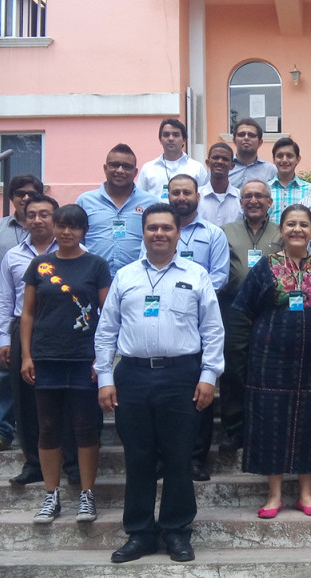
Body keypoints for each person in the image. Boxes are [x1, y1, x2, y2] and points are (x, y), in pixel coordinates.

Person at [95, 204, 224, 564]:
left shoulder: (196, 275)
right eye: (152, 228)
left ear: (177, 233)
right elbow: (106, 331)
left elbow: (213, 330)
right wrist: (105, 376)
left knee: (179, 457)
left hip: (181, 376)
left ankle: (177, 531)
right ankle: (140, 533)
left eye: (166, 228)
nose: (159, 234)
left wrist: (208, 376)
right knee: (138, 458)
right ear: (143, 233)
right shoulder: (125, 276)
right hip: (132, 375)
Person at [234, 204, 311, 518]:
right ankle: (274, 495)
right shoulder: (266, 266)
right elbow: (244, 311)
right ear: (281, 230)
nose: (297, 230)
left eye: (304, 224)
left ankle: (306, 493)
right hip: (270, 359)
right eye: (291, 224)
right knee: (270, 422)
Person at [20, 204, 111, 524]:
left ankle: (87, 495)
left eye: (74, 226)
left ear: (84, 230)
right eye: (61, 225)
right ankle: (51, 494)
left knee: (86, 427)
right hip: (46, 358)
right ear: (54, 227)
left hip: (85, 358)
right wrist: (27, 355)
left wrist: (104, 358)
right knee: (47, 427)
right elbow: (28, 312)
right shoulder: (39, 264)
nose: (66, 231)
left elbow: (107, 315)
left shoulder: (96, 265)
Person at [148, 174, 231, 481]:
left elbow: (219, 275)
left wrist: (190, 294)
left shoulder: (213, 234)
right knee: (158, 397)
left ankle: (197, 458)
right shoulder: (156, 234)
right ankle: (159, 458)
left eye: (187, 192)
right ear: (167, 195)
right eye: (175, 192)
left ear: (198, 195)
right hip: (158, 322)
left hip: (198, 318)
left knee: (200, 394)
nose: (181, 197)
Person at [0, 193, 78, 486]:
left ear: (56, 220)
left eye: (45, 214)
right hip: (24, 330)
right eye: (32, 215)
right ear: (24, 219)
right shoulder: (13, 257)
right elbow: (3, 302)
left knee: (65, 400)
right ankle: (33, 463)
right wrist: (4, 339)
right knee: (26, 399)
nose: (38, 220)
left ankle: (71, 462)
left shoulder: (76, 252)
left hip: (64, 330)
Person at [218, 181, 283, 454]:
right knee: (234, 369)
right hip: (233, 307)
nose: (253, 200)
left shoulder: (282, 230)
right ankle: (235, 430)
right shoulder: (224, 232)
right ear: (240, 202)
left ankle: (266, 429)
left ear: (270, 202)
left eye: (259, 196)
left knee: (270, 370)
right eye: (248, 196)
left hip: (272, 309)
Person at [0, 175, 37, 456]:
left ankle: (37, 430)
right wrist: (8, 292)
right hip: (9, 314)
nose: (25, 198)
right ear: (12, 197)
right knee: (5, 371)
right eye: (19, 194)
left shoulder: (50, 225)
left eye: (31, 193)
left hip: (45, 315)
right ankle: (1, 430)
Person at [76, 144, 160, 277]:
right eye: (114, 165)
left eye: (127, 166)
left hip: (138, 279)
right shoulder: (85, 201)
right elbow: (77, 240)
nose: (120, 170)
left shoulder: (152, 203)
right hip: (92, 279)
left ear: (136, 172)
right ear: (105, 168)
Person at [136, 119, 209, 200]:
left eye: (176, 135)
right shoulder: (148, 168)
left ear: (184, 140)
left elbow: (203, 199)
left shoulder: (197, 168)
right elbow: (140, 199)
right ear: (160, 139)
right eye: (166, 135)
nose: (170, 138)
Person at [268, 137, 311, 223]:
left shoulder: (310, 190)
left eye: (289, 156)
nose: (284, 160)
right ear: (274, 159)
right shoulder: (265, 190)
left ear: (298, 159)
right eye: (280, 156)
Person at [198, 142, 242, 228]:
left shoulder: (241, 198)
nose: (220, 161)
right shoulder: (196, 196)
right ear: (207, 162)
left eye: (225, 159)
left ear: (232, 166)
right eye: (215, 157)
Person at [229, 118, 277, 189]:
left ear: (260, 142)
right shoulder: (222, 167)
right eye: (241, 134)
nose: (246, 138)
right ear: (234, 140)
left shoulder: (271, 171)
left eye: (251, 135)